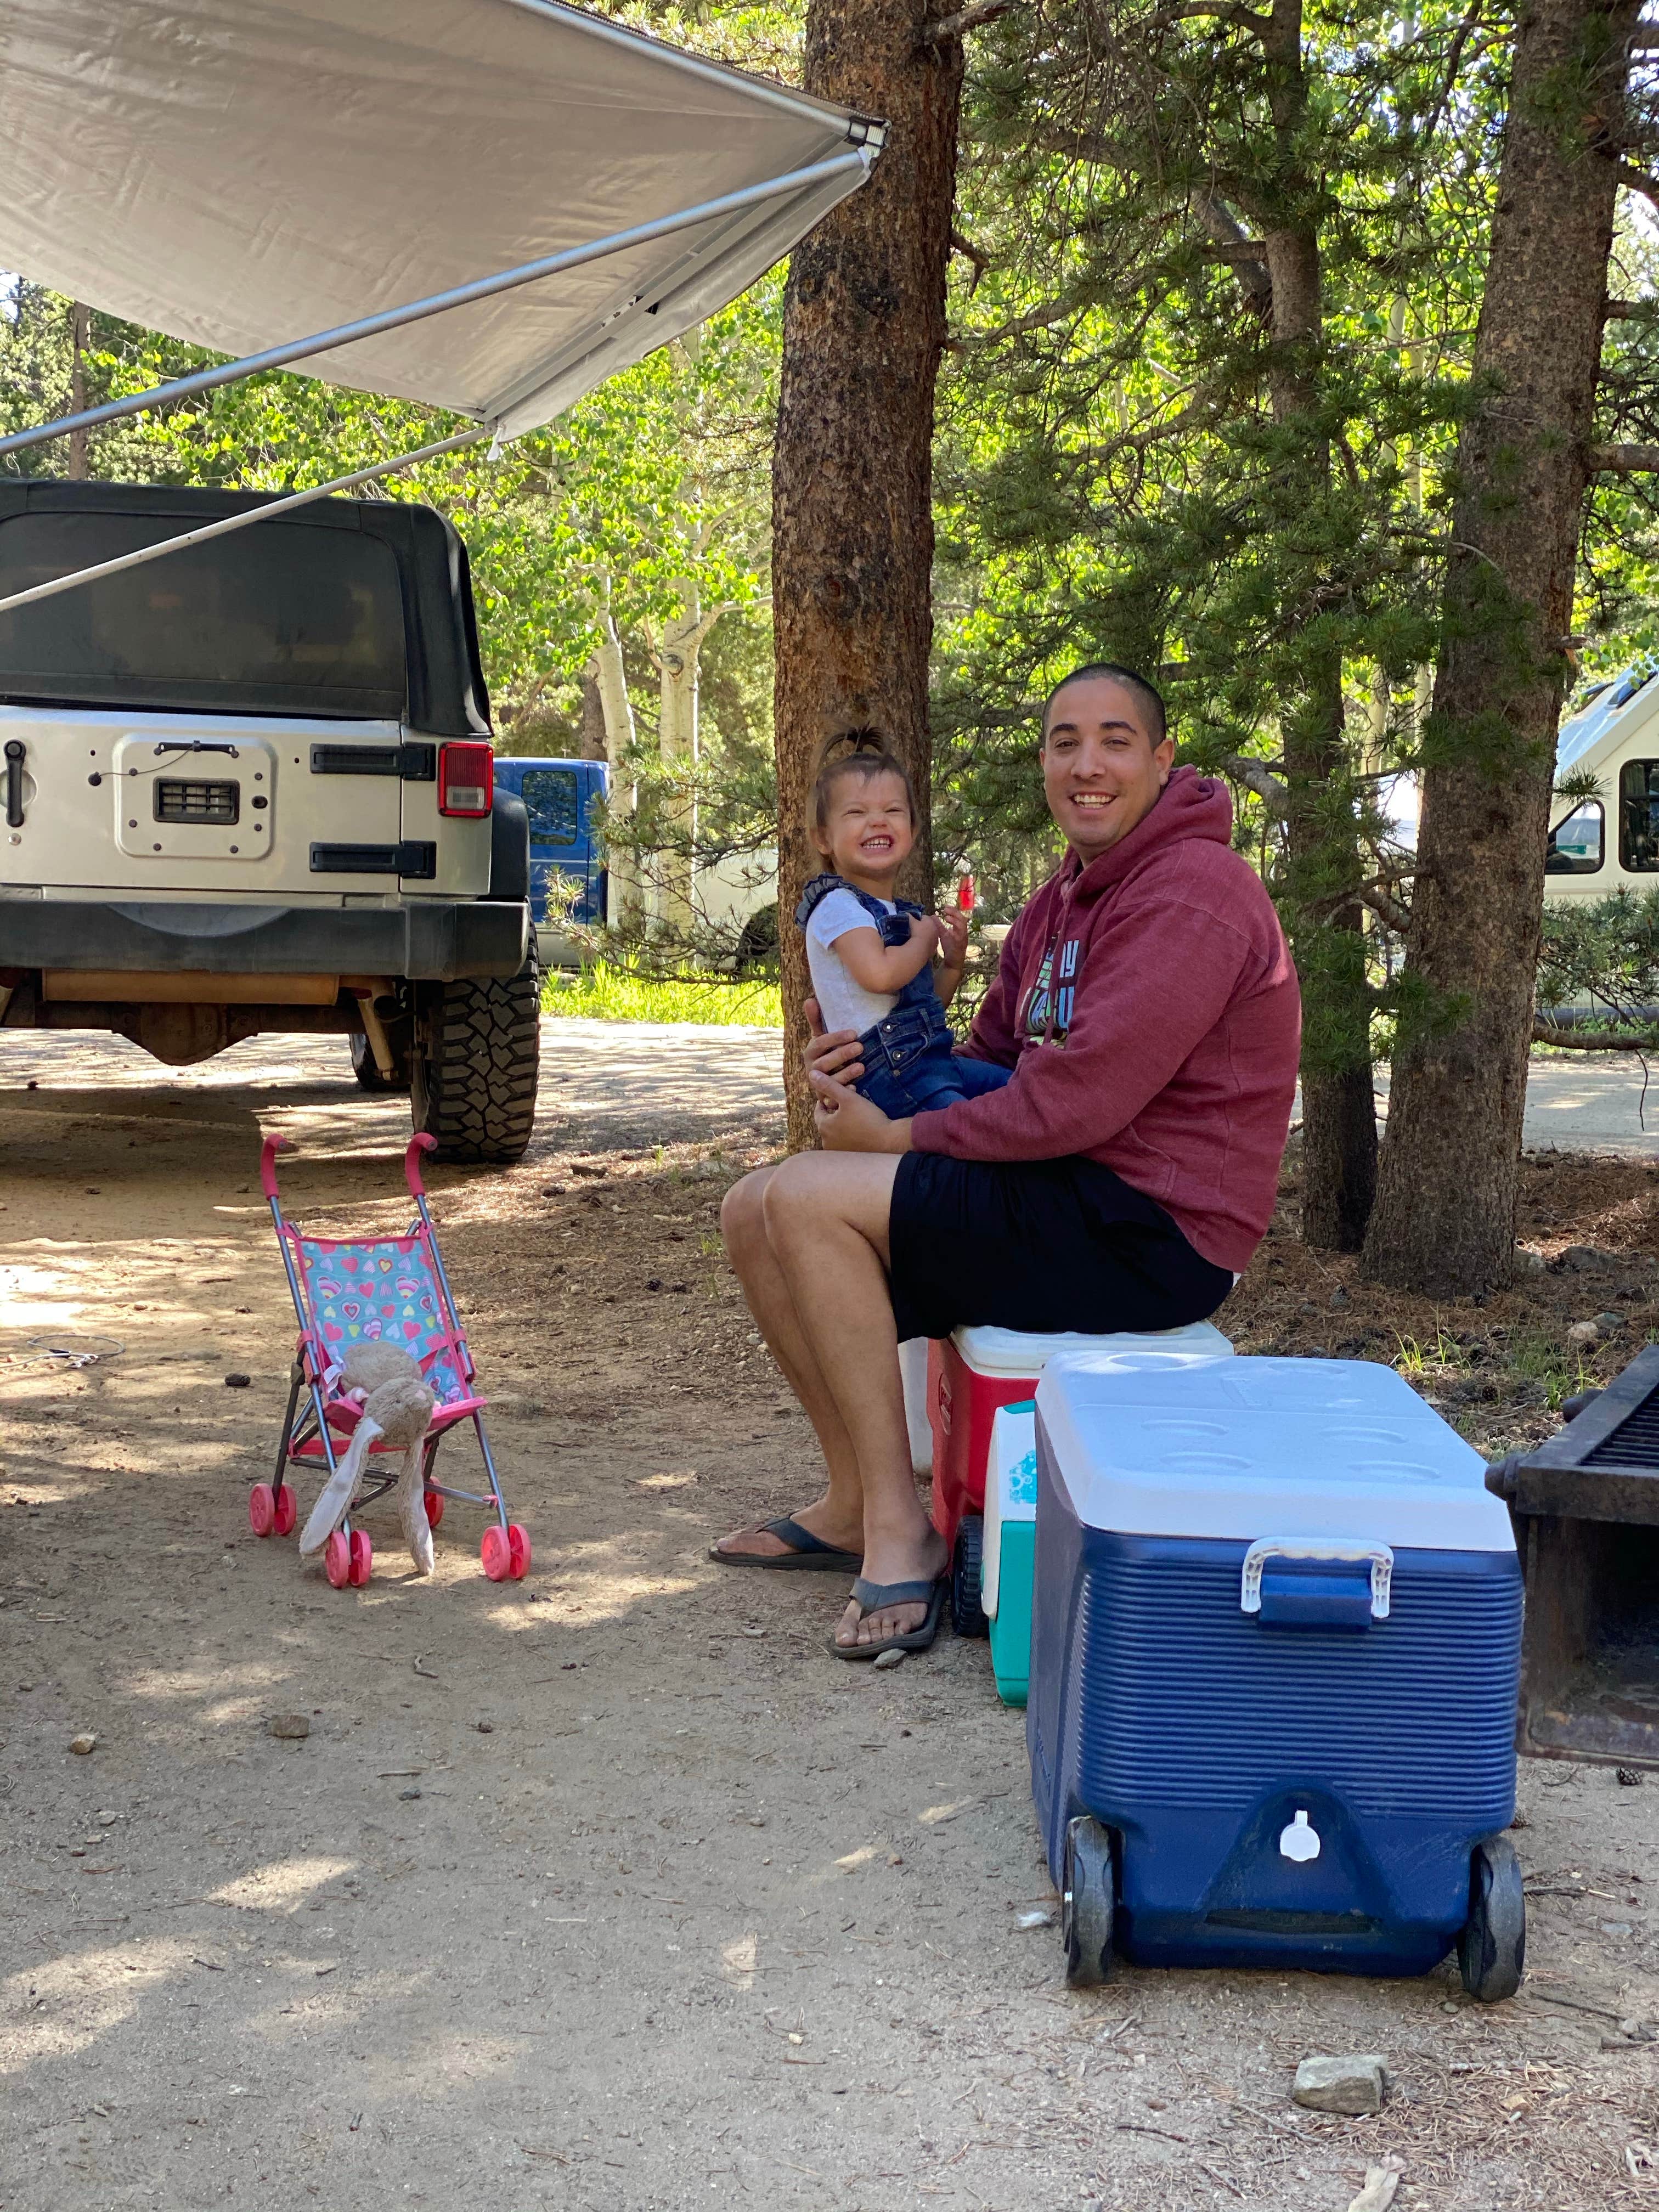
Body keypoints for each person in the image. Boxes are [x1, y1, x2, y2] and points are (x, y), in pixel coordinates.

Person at [712, 663, 1301, 1661]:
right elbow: (983, 1056)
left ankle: (905, 1534)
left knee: (809, 1200)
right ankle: (857, 1500)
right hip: (1060, 1186)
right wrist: (870, 1077)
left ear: (1161, 760)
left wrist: (897, 1140)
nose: (1086, 763)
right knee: (749, 1204)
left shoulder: (1194, 894)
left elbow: (1082, 1099)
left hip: (1146, 1227)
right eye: (1063, 741)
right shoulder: (1062, 899)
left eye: (1114, 740)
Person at [797, 729, 1014, 1118]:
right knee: (967, 1131)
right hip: (882, 1075)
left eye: (892, 811)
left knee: (1016, 1091)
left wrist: (952, 964)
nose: (877, 822)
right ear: (823, 838)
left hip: (921, 1061)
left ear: (913, 831)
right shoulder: (837, 906)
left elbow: (924, 1010)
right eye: (857, 813)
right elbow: (880, 976)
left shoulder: (896, 913)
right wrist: (925, 939)